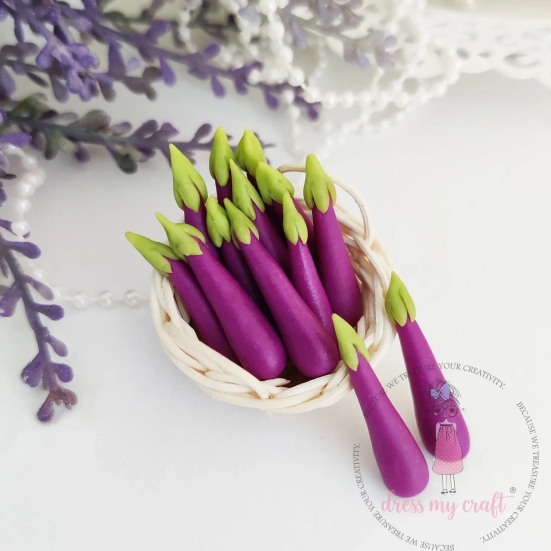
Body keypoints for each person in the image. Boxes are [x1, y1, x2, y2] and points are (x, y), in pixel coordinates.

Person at [429, 380, 463, 494]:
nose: (444, 413)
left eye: (451, 410)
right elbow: (437, 439)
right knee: (445, 475)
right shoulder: (439, 425)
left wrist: (456, 451)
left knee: (450, 475)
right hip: (441, 450)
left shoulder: (453, 425)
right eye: (438, 410)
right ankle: (445, 489)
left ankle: (452, 488)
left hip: (450, 449)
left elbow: (457, 438)